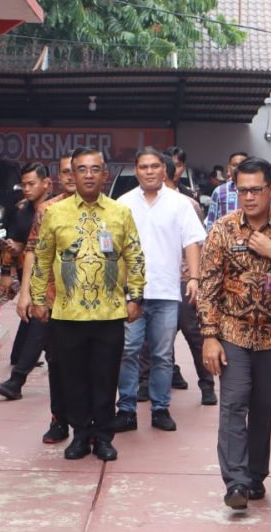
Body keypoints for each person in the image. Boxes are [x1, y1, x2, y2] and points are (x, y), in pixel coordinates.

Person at [198, 156, 271, 510]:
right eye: (242, 190)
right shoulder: (223, 229)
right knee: (234, 403)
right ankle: (235, 481)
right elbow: (208, 286)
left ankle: (255, 477)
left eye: (256, 190)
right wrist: (209, 335)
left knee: (263, 407)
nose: (249, 198)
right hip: (233, 332)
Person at [30, 146, 145, 462]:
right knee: (74, 377)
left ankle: (103, 436)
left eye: (95, 169)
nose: (89, 174)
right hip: (67, 313)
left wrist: (136, 296)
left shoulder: (120, 213)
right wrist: (38, 299)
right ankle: (80, 435)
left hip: (109, 312)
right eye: (82, 169)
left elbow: (134, 255)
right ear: (71, 174)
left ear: (105, 174)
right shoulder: (55, 213)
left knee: (106, 377)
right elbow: (41, 258)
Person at [112, 148, 206, 433]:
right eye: (143, 167)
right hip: (131, 293)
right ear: (136, 170)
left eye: (155, 166)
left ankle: (160, 409)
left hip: (166, 292)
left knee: (163, 354)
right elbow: (113, 248)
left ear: (164, 171)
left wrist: (195, 278)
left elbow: (192, 242)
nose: (150, 171)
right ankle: (126, 409)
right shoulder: (123, 203)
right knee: (128, 351)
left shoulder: (180, 204)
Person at [16, 155, 76, 443]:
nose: (72, 176)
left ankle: (90, 425)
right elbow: (33, 252)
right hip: (55, 301)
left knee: (92, 365)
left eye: (76, 170)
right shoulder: (46, 210)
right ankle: (59, 420)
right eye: (66, 171)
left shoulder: (109, 211)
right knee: (58, 363)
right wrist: (25, 293)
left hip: (95, 304)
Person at [0, 163, 52, 400]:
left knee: (40, 328)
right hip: (32, 278)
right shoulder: (21, 211)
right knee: (36, 324)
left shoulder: (57, 210)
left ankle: (17, 377)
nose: (26, 189)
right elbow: (14, 245)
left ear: (46, 184)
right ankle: (17, 377)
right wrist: (7, 273)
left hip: (56, 281)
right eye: (24, 184)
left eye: (31, 184)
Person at [165, 152, 217, 406]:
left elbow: (198, 242)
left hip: (185, 279)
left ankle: (207, 386)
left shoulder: (188, 203)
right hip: (156, 281)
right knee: (152, 340)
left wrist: (196, 278)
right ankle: (147, 385)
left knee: (194, 334)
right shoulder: (135, 204)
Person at [205, 151, 249, 231]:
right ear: (229, 168)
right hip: (225, 242)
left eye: (242, 165)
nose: (238, 168)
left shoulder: (255, 192)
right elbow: (211, 223)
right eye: (235, 165)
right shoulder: (219, 192)